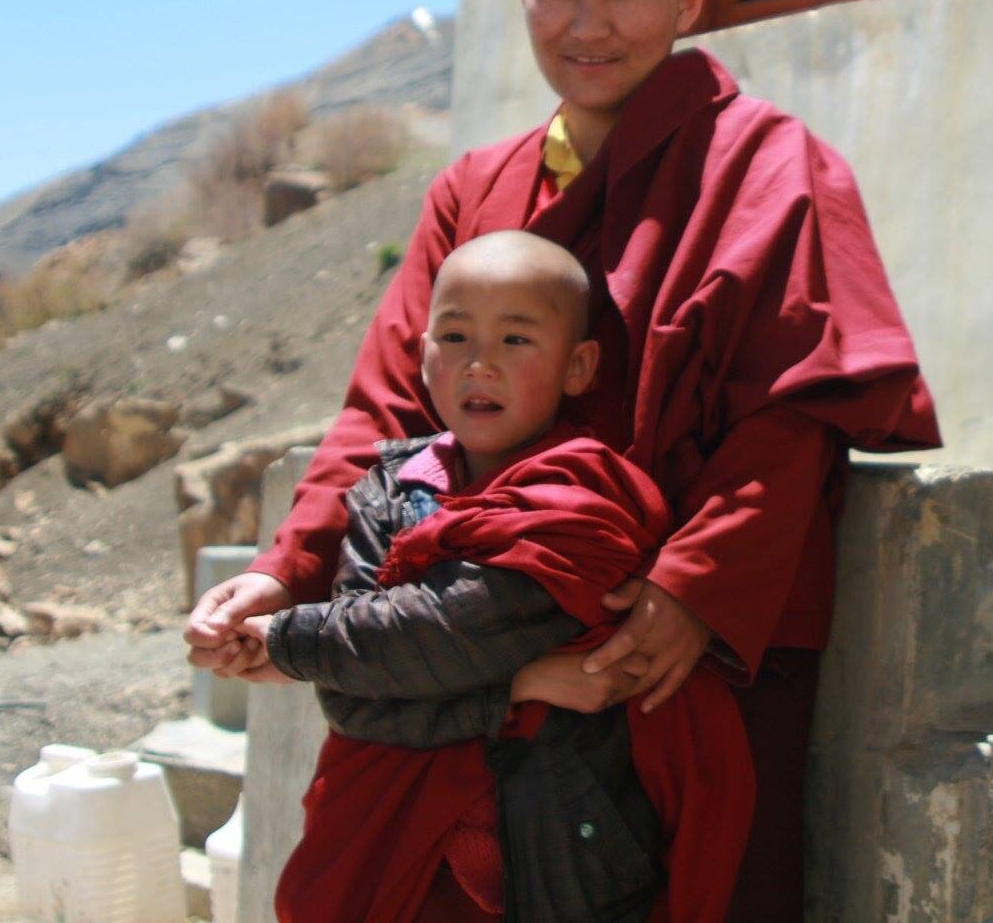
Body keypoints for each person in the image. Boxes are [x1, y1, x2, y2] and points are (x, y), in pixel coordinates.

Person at [187, 0, 940, 919]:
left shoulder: (770, 166)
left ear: (686, 2)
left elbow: (795, 413)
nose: (588, 25)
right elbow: (391, 411)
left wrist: (695, 589)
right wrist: (292, 568)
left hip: (658, 651)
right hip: (461, 640)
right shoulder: (477, 190)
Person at [222, 230, 752, 922]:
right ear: (421, 358)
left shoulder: (584, 496)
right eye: (455, 336)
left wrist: (291, 642)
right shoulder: (387, 491)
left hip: (562, 842)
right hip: (408, 856)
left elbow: (450, 631)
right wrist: (519, 686)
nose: (480, 365)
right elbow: (352, 696)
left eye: (516, 340)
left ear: (579, 366)